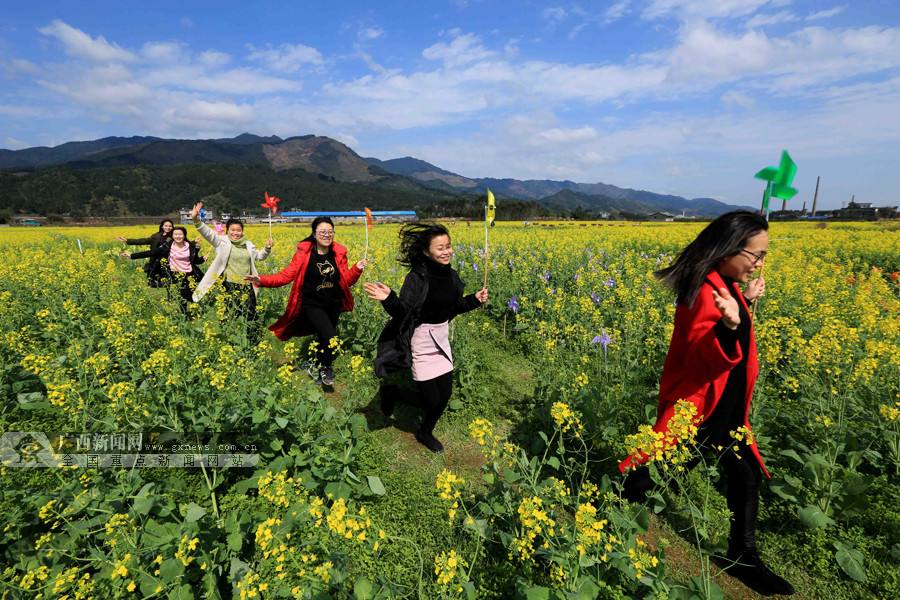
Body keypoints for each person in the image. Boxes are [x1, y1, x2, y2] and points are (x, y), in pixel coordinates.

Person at [618, 210, 793, 596]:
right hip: (702, 407)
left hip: (727, 406)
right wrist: (731, 325)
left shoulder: (725, 284)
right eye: (756, 254)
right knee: (655, 472)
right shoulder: (705, 292)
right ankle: (604, 504)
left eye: (764, 255)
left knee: (741, 474)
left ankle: (742, 554)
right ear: (729, 249)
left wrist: (744, 301)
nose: (760, 263)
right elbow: (703, 356)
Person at [364, 223, 488, 453]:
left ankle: (425, 430)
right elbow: (404, 311)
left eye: (449, 246)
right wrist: (389, 298)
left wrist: (474, 299)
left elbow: (453, 307)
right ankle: (393, 393)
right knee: (431, 399)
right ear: (425, 252)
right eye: (440, 248)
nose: (447, 251)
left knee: (445, 395)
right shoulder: (417, 277)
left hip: (441, 338)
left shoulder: (451, 275)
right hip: (420, 339)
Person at [245, 217, 366, 386]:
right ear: (314, 234)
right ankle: (326, 368)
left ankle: (314, 366)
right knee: (330, 336)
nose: (327, 235)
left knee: (324, 336)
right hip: (312, 304)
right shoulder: (304, 254)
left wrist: (357, 269)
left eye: (330, 232)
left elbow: (344, 280)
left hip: (333, 304)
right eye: (322, 232)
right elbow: (285, 276)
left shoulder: (338, 254)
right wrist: (261, 280)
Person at [190, 202, 272, 330]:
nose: (236, 233)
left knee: (250, 314)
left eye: (239, 230)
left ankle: (250, 339)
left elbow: (259, 257)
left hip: (247, 284)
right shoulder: (221, 241)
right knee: (229, 313)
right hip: (229, 284)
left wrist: (267, 249)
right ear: (227, 230)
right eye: (233, 230)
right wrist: (196, 219)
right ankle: (228, 338)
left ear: (242, 231)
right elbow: (208, 233)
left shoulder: (248, 244)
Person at [120, 227, 207, 317]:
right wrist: (132, 256)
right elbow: (151, 252)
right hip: (175, 274)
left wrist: (202, 259)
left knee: (189, 294)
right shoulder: (168, 246)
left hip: (189, 274)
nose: (178, 236)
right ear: (172, 236)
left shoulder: (190, 247)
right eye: (176, 234)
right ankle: (184, 314)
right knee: (181, 294)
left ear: (184, 235)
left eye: (180, 234)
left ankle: (200, 307)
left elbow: (195, 260)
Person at [116, 219, 174, 287]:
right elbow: (144, 241)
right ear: (162, 226)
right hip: (155, 261)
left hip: (170, 262)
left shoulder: (175, 236)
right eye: (166, 226)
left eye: (170, 226)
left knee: (170, 283)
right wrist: (127, 240)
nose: (168, 228)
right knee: (154, 283)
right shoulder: (156, 236)